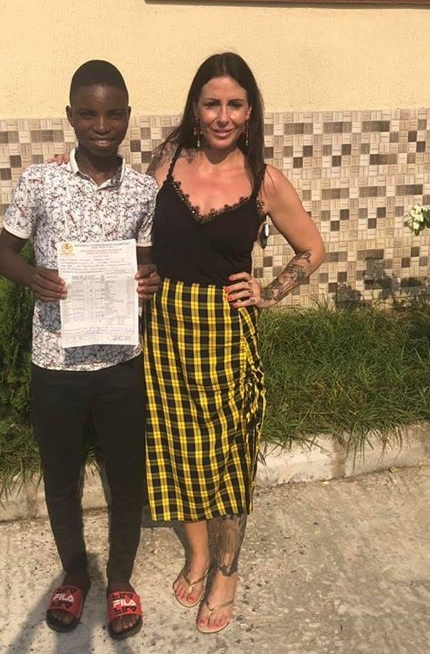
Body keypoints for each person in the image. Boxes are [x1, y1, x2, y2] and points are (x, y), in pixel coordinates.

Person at [144, 52, 325, 635]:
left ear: (250, 113)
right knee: (177, 447)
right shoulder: (166, 161)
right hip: (165, 328)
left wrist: (268, 292)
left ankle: (226, 569)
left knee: (227, 457)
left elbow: (312, 249)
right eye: (212, 103)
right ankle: (197, 553)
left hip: (224, 333)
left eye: (235, 105)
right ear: (195, 109)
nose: (223, 116)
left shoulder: (264, 180)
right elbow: (133, 226)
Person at [0, 60, 159, 641]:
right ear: (70, 116)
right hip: (56, 361)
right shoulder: (40, 182)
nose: (101, 126)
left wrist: (149, 279)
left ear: (128, 117)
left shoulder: (143, 191)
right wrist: (31, 276)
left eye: (113, 114)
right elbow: (2, 255)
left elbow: (145, 262)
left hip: (120, 361)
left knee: (127, 476)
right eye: (88, 114)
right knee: (60, 476)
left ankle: (120, 581)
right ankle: (74, 575)